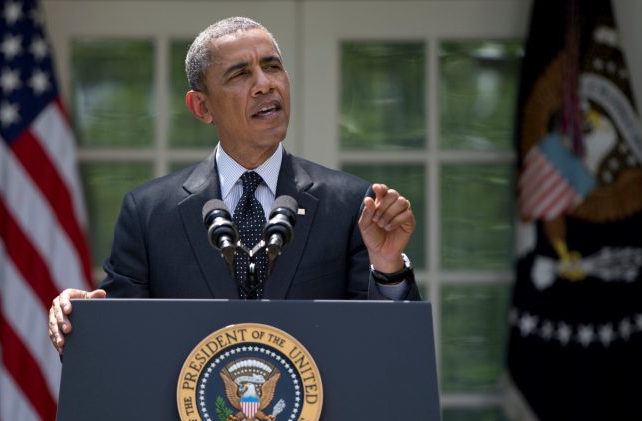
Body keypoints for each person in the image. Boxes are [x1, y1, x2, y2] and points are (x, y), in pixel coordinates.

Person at [48, 17, 420, 354]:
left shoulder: (350, 204)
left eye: (272, 66)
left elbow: (385, 353)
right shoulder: (148, 214)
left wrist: (388, 268)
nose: (264, 84)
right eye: (240, 75)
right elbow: (119, 350)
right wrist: (79, 323)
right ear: (201, 108)